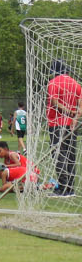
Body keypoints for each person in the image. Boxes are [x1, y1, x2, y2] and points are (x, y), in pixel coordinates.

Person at [46, 60, 80, 197]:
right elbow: (80, 106)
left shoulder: (53, 82)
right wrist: (74, 118)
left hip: (57, 124)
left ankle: (63, 188)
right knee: (71, 155)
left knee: (59, 155)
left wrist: (67, 112)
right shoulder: (77, 84)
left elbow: (54, 102)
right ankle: (70, 187)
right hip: (72, 125)